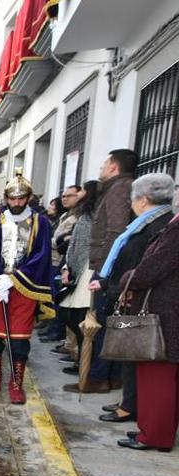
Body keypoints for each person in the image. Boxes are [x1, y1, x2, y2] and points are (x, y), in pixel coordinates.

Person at [86, 174, 174, 423]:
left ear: (143, 200)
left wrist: (116, 285)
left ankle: (131, 405)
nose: (131, 204)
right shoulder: (147, 223)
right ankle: (129, 400)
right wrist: (106, 281)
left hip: (140, 300)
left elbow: (142, 266)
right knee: (129, 353)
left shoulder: (159, 225)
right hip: (125, 293)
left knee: (135, 352)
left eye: (133, 199)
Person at [0, 169, 55, 404]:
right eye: (12, 198)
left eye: (20, 198)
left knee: (18, 339)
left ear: (28, 198)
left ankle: (16, 382)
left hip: (25, 286)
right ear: (6, 198)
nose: (16, 203)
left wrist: (15, 279)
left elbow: (42, 255)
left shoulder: (40, 223)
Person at [116, 202, 179, 453]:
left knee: (158, 378)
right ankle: (155, 429)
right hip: (168, 309)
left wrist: (127, 279)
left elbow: (153, 268)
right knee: (162, 377)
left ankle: (154, 435)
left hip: (165, 312)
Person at [76, 149, 137, 394]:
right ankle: (106, 376)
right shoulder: (115, 188)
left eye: (104, 163)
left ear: (114, 167)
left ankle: (100, 377)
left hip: (108, 269)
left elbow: (116, 232)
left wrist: (104, 271)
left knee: (102, 323)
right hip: (107, 267)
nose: (100, 168)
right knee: (104, 322)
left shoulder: (120, 188)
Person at [56, 180, 98, 371]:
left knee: (79, 318)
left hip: (84, 270)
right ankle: (81, 358)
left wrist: (70, 269)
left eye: (83, 190)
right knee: (69, 315)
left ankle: (84, 362)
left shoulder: (90, 216)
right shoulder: (83, 215)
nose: (79, 193)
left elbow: (81, 247)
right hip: (76, 268)